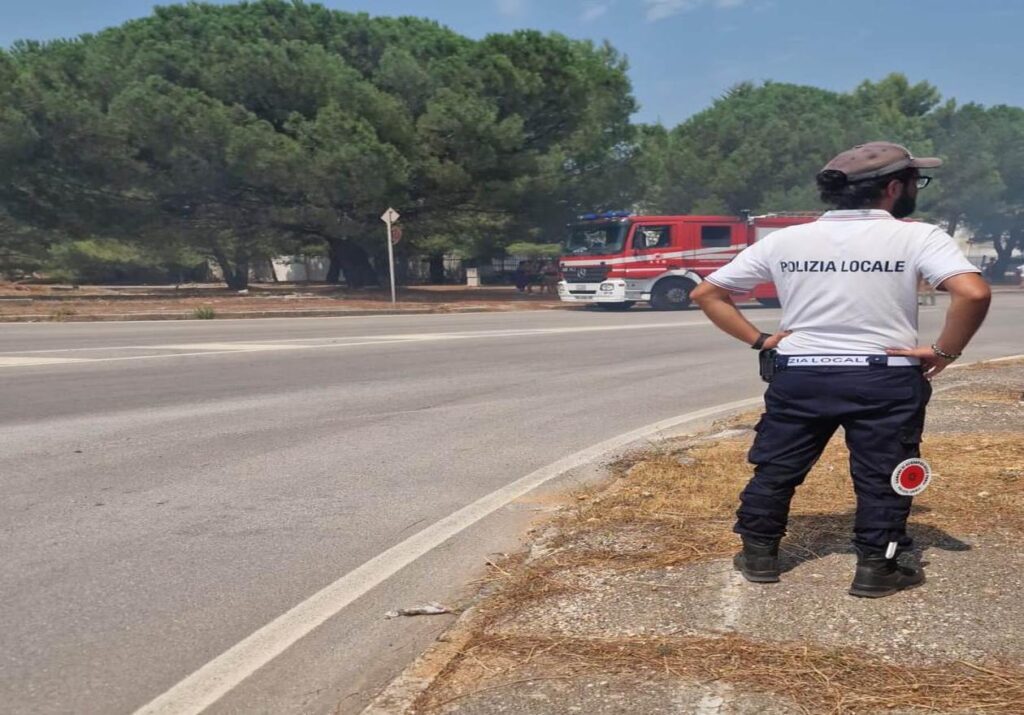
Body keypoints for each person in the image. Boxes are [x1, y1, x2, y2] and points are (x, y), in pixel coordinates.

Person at [691, 142, 991, 598]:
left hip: (801, 373)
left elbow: (707, 294)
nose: (916, 189)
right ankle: (877, 568)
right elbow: (972, 293)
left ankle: (759, 555)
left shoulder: (786, 239)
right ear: (893, 187)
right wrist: (943, 352)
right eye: (915, 181)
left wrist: (761, 339)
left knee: (777, 466)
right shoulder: (918, 236)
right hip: (883, 375)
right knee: (883, 471)